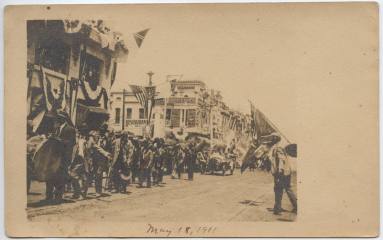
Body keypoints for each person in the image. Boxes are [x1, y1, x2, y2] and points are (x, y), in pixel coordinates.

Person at [267, 133, 297, 215]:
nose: (271, 139)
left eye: (272, 138)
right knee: (288, 189)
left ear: (276, 139)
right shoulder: (280, 147)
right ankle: (296, 206)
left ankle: (277, 209)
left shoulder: (278, 148)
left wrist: (279, 173)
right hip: (286, 172)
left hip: (281, 173)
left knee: (278, 189)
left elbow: (280, 161)